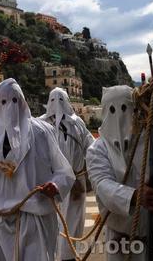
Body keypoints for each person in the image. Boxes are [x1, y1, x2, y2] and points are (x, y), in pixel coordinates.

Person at [0, 78, 75, 261]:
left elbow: (64, 171)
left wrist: (55, 186)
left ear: (23, 101)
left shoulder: (42, 132)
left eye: (15, 100)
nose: (10, 107)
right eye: (4, 102)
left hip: (33, 222)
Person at [86, 85, 153, 261]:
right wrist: (134, 196)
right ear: (105, 112)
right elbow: (102, 185)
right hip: (124, 243)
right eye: (112, 110)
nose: (120, 116)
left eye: (126, 108)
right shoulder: (97, 150)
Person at [40, 87, 95, 261]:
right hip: (51, 185)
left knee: (73, 224)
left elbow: (91, 148)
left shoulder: (77, 123)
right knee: (51, 222)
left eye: (60, 100)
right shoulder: (41, 124)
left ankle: (69, 257)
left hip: (76, 184)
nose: (57, 105)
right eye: (54, 100)